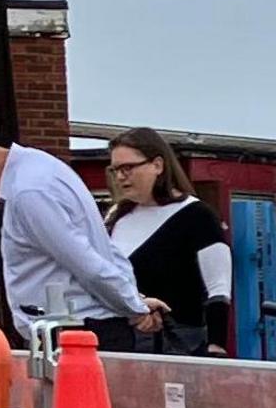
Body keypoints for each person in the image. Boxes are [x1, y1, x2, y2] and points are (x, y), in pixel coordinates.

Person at [0, 133, 166, 349]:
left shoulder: (28, 192)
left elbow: (85, 262)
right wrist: (134, 300)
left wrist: (134, 307)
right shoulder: (44, 166)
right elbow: (100, 245)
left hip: (73, 332)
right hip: (85, 326)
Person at [98, 128, 232, 356]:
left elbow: (218, 288)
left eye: (128, 168)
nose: (120, 177)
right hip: (120, 342)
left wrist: (216, 347)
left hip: (180, 346)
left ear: (158, 165)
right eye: (115, 170)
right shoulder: (115, 217)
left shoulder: (198, 216)